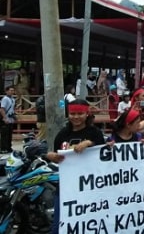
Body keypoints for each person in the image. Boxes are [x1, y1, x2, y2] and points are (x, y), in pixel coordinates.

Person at [45, 99, 105, 234]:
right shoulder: (63, 134)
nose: (76, 117)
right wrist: (50, 156)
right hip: (66, 187)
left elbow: (104, 154)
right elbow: (56, 156)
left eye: (80, 113)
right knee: (59, 226)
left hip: (90, 187)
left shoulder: (95, 132)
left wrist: (89, 143)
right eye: (72, 113)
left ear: (87, 114)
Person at [0, 85, 17, 153]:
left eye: (13, 90)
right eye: (10, 90)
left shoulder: (12, 99)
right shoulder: (5, 99)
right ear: (6, 91)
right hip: (6, 119)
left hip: (11, 119)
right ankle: (3, 148)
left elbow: (12, 109)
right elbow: (2, 109)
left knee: (9, 134)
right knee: (4, 135)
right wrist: (5, 118)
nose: (12, 92)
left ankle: (8, 147)